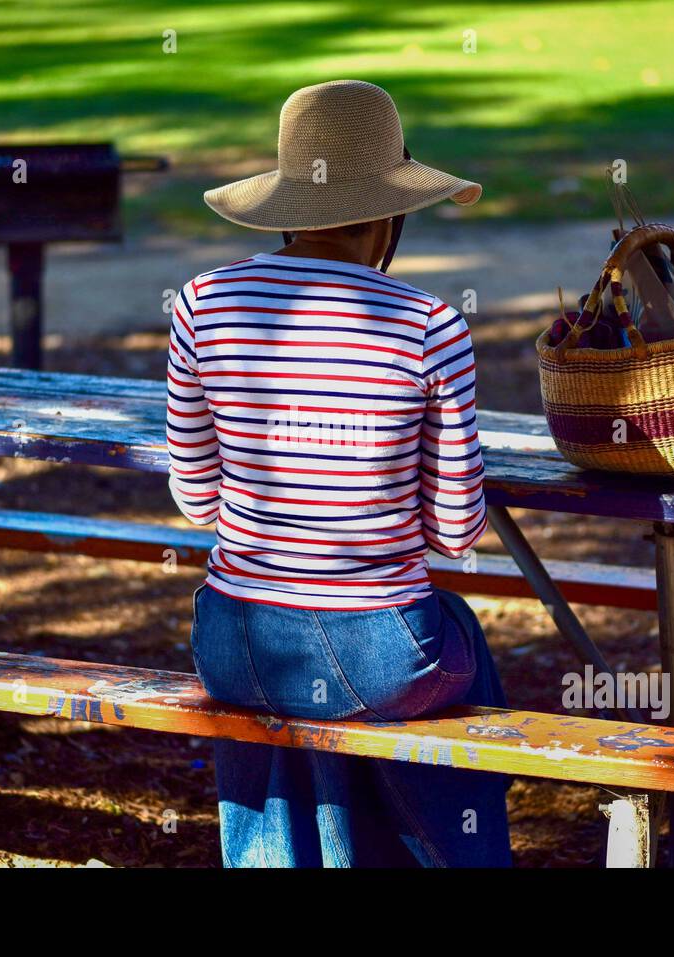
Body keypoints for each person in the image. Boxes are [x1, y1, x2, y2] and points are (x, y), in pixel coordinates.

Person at [165, 79, 511, 867]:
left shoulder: (200, 303)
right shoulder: (429, 326)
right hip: (380, 653)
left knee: (296, 669)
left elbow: (195, 499)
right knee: (455, 641)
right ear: (391, 213)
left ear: (288, 205)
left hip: (234, 642)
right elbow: (457, 529)